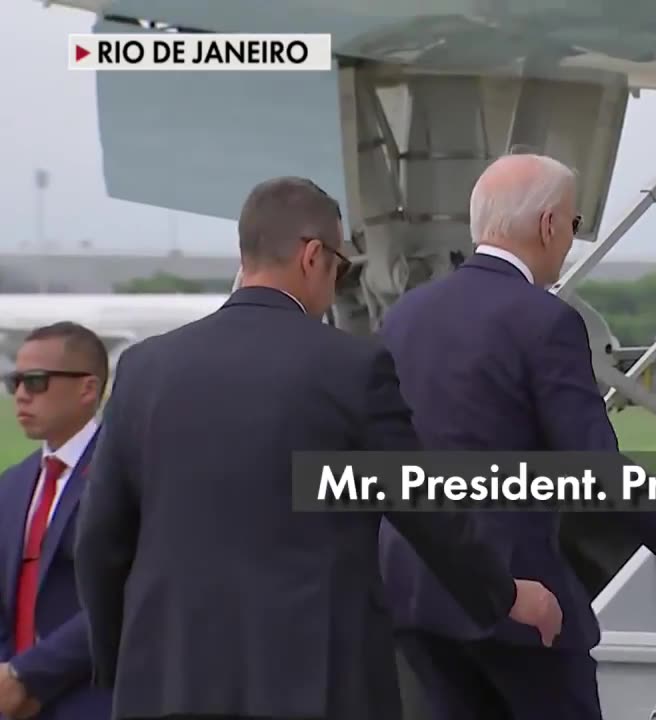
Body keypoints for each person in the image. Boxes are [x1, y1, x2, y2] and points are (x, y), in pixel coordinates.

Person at [73, 176, 563, 720]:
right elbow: (428, 509)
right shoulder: (351, 368)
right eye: (340, 267)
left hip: (169, 683)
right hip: (314, 684)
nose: (337, 283)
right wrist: (505, 594)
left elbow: (99, 541)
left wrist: (127, 667)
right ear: (312, 256)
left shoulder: (143, 369)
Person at [377, 153, 656, 720]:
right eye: (573, 226)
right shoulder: (545, 319)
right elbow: (593, 464)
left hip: (414, 589)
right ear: (549, 225)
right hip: (520, 599)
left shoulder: (406, 314)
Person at [0, 323, 112, 720]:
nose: (22, 395)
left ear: (87, 388)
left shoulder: (127, 474)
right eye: (16, 382)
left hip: (92, 701)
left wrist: (27, 676)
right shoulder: (13, 484)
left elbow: (126, 595)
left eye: (37, 381)